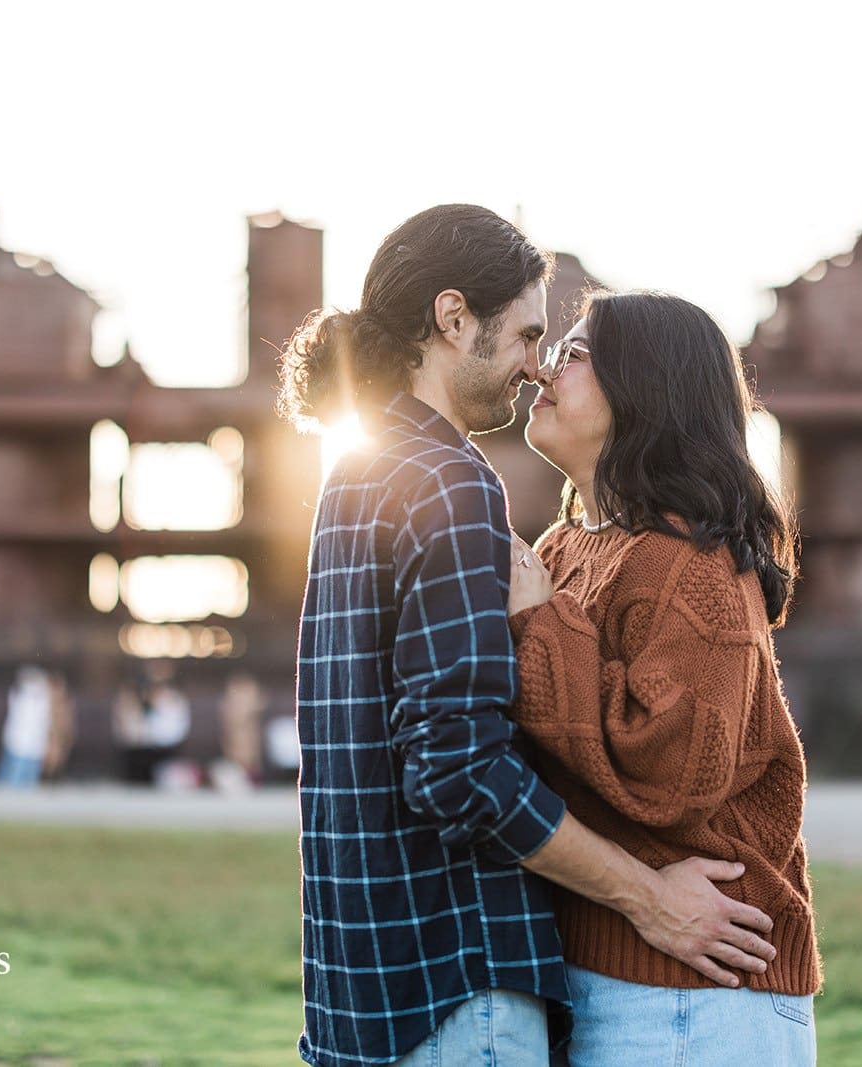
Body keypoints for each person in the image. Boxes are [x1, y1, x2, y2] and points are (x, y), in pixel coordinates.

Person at [278, 206, 777, 1067]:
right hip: (453, 977)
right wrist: (648, 897)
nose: (533, 368)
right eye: (529, 335)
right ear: (453, 317)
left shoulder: (353, 475)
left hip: (359, 990)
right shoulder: (452, 482)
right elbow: (461, 768)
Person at [507, 291, 821, 1065]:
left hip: (697, 993)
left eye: (575, 354)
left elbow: (671, 773)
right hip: (623, 974)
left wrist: (540, 626)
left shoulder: (691, 564)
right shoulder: (564, 548)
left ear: (643, 389)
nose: (545, 368)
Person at [0, 666, 51, 789]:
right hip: (17, 746)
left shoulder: (43, 700)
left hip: (34, 749)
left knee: (28, 785)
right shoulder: (20, 697)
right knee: (10, 783)